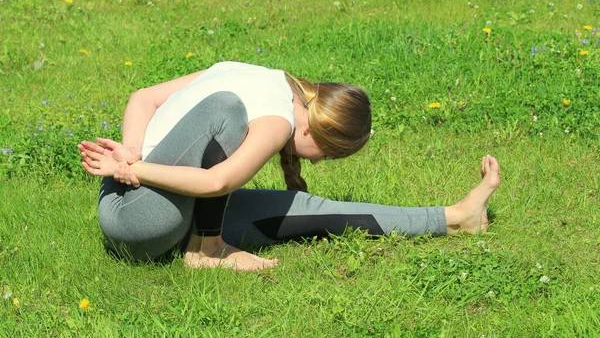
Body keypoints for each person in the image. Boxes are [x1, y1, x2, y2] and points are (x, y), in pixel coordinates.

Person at [79, 61, 500, 272]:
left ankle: (455, 219)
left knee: (311, 210)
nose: (318, 161)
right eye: (329, 156)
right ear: (320, 138)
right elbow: (217, 180)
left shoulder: (262, 75)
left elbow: (143, 97)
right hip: (134, 220)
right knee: (225, 110)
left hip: (159, 201)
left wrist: (132, 152)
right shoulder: (277, 119)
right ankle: (207, 251)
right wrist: (131, 168)